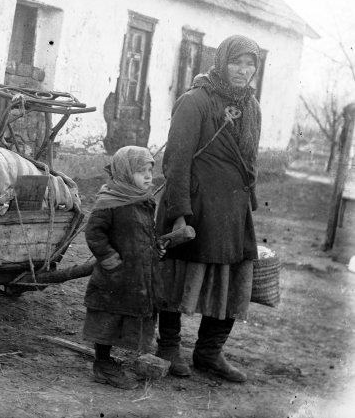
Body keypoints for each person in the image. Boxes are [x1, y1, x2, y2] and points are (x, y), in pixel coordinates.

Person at [155, 35, 262, 383]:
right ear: (221, 62)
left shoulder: (252, 107)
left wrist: (250, 197)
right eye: (236, 62)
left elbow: (249, 158)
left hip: (233, 209)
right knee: (178, 275)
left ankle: (209, 352)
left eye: (250, 64)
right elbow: (176, 161)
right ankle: (169, 347)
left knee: (232, 279)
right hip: (196, 204)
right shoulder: (195, 101)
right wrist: (179, 213)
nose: (242, 71)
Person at [82, 146, 165, 389]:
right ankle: (103, 364)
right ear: (125, 173)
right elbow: (94, 233)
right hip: (115, 275)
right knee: (107, 317)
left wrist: (156, 246)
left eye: (150, 170)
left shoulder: (144, 200)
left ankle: (110, 362)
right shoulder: (109, 201)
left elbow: (146, 231)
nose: (148, 176)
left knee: (127, 314)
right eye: (141, 171)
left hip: (139, 274)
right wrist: (109, 260)